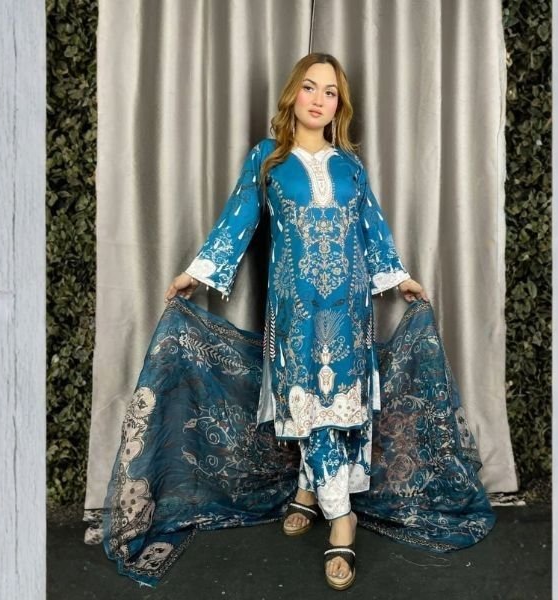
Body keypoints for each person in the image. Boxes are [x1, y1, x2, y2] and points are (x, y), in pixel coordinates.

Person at [163, 52, 428, 591]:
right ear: (293, 94)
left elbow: (372, 227)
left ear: (338, 106)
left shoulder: (349, 165)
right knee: (311, 405)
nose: (318, 100)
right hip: (296, 312)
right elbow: (238, 219)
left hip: (349, 310)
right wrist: (197, 272)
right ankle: (341, 517)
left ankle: (312, 495)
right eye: (310, 87)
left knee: (340, 408)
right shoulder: (269, 158)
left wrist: (399, 278)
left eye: (330, 92)